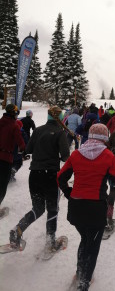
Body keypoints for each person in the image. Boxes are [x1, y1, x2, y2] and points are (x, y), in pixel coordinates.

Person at [57, 123, 115, 291]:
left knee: (85, 239)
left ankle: (80, 273)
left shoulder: (77, 154)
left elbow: (60, 177)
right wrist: (111, 175)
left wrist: (68, 193)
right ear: (105, 138)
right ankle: (84, 283)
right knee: (92, 247)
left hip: (76, 207)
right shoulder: (108, 156)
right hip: (95, 208)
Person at [9, 106, 70, 250]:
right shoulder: (60, 133)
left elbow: (28, 149)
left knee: (38, 208)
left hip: (35, 175)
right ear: (60, 118)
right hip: (50, 176)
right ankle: (50, 241)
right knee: (52, 209)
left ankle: (18, 229)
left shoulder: (37, 130)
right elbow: (66, 156)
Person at [0, 104, 25, 217]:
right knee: (2, 185)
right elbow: (20, 143)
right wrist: (25, 150)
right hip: (5, 158)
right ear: (13, 113)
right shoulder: (14, 126)